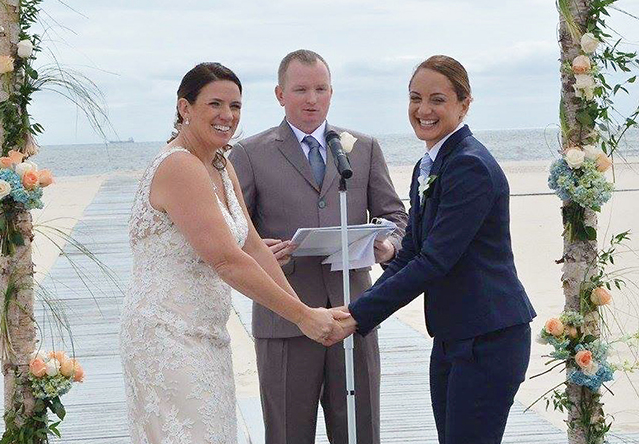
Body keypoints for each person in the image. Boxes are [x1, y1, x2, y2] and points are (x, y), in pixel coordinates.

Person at [119, 62, 348, 444]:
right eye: (215, 104)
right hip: (166, 333)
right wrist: (303, 317)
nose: (227, 116)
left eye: (236, 106)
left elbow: (252, 245)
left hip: (207, 333)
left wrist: (303, 313)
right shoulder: (179, 166)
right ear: (184, 108)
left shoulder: (220, 164)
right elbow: (227, 261)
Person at [333, 55, 537, 444]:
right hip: (452, 335)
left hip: (489, 336)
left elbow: (435, 260)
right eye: (415, 98)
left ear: (464, 104)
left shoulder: (469, 166)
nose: (423, 110)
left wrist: (356, 317)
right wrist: (355, 308)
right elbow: (410, 251)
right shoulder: (429, 165)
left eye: (437, 99)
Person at [228, 50, 408, 444]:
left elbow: (396, 216)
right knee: (288, 434)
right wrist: (259, 251)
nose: (312, 99)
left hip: (353, 316)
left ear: (331, 92)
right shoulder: (249, 153)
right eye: (301, 90)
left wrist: (388, 245)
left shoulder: (363, 147)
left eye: (321, 89)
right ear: (280, 94)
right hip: (286, 321)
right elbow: (234, 230)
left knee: (361, 434)